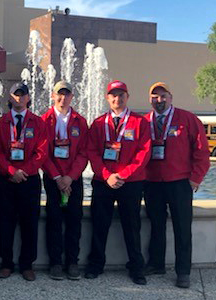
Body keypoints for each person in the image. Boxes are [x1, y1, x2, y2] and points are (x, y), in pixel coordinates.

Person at [143, 82, 210, 288]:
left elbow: (201, 151)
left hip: (179, 182)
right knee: (156, 225)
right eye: (155, 96)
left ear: (171, 98)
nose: (159, 100)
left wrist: (195, 178)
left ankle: (183, 271)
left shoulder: (187, 119)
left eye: (163, 96)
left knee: (182, 228)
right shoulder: (144, 121)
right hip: (152, 182)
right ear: (150, 99)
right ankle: (156, 264)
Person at [84, 80, 150, 285]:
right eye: (113, 95)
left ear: (127, 97)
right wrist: (106, 175)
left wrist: (123, 175)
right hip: (103, 182)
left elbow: (144, 153)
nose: (117, 98)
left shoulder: (140, 123)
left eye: (121, 94)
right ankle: (96, 264)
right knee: (99, 224)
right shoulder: (98, 123)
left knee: (132, 226)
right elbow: (91, 152)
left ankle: (136, 267)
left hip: (130, 183)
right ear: (107, 98)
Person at [0, 83, 48, 281]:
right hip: (6, 180)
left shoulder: (38, 123)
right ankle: (6, 263)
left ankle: (27, 264)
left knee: (29, 223)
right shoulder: (1, 123)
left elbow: (42, 151)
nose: (19, 99)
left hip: (29, 181)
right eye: (16, 95)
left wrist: (25, 171)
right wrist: (12, 170)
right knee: (4, 222)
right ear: (10, 97)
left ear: (28, 98)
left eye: (22, 95)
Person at [40, 81, 89, 280]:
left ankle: (72, 261)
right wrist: (58, 177)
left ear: (72, 97)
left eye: (67, 94)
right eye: (59, 94)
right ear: (53, 96)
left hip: (73, 179)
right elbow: (42, 152)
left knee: (74, 221)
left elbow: (84, 152)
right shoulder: (43, 121)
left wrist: (70, 177)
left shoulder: (80, 121)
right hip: (53, 179)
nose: (63, 98)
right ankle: (55, 263)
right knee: (53, 220)